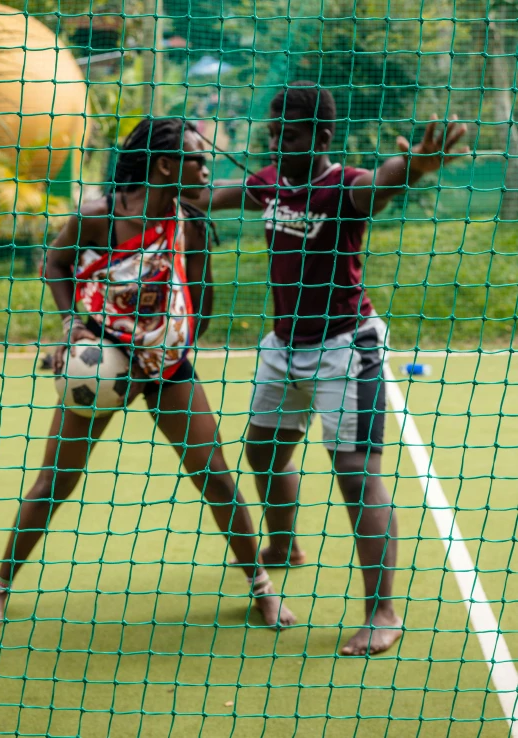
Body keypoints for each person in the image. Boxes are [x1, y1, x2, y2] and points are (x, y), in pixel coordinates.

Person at [0, 118, 296, 631]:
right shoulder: (97, 218)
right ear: (166, 165)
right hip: (100, 363)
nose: (205, 165)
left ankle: (261, 586)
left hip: (166, 368)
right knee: (55, 480)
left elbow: (201, 289)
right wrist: (71, 327)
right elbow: (55, 264)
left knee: (215, 476)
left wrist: (182, 336)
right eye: (197, 157)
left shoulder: (189, 222)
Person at [190, 82, 468, 655]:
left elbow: (384, 183)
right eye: (271, 132)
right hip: (284, 344)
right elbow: (212, 195)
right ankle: (285, 542)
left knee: (355, 473)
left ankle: (382, 612)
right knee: (263, 451)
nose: (275, 141)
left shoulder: (343, 187)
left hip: (346, 348)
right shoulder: (269, 185)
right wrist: (167, 188)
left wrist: (415, 166)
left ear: (321, 136)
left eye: (287, 134)